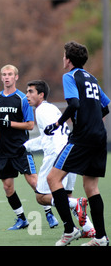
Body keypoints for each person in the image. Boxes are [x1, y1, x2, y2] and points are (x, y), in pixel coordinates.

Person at [44, 41, 110, 246]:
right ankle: (101, 237)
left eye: (64, 56)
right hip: (100, 137)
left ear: (69, 60)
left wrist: (57, 123)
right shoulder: (92, 78)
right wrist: (92, 120)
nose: (63, 59)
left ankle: (69, 229)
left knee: (53, 179)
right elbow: (106, 106)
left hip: (82, 138)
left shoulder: (69, 76)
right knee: (91, 187)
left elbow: (73, 104)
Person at [20, 80, 95, 236]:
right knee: (66, 194)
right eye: (27, 91)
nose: (27, 95)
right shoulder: (51, 108)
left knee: (41, 197)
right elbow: (47, 136)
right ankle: (89, 229)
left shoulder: (41, 111)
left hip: (57, 155)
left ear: (41, 95)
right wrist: (26, 145)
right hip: (69, 151)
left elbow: (53, 138)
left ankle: (77, 204)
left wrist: (59, 159)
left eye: (31, 91)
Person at [0, 64, 38, 230]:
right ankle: (21, 219)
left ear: (16, 77)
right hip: (4, 150)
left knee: (34, 183)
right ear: (1, 77)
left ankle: (50, 212)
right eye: (4, 74)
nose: (7, 77)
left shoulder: (23, 99)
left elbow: (30, 125)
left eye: (10, 74)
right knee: (7, 186)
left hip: (21, 148)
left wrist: (9, 123)